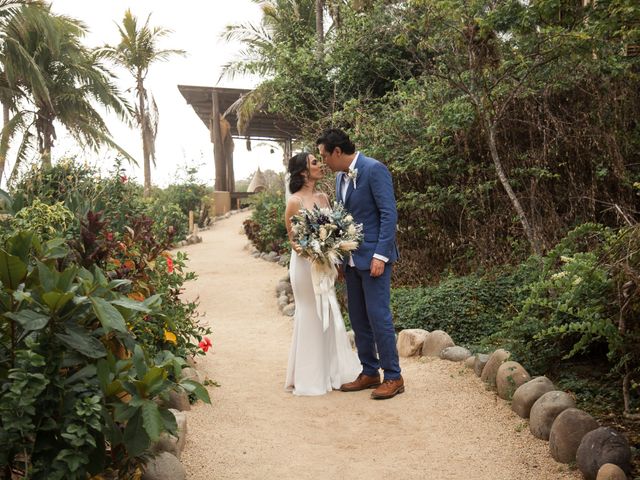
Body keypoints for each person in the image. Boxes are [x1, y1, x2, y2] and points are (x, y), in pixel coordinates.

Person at [316, 128, 403, 400]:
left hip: (374, 258)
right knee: (358, 317)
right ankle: (369, 371)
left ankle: (393, 376)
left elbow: (389, 214)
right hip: (351, 260)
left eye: (324, 156)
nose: (323, 162)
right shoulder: (341, 176)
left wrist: (380, 255)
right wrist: (340, 259)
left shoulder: (374, 169)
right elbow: (344, 219)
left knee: (379, 317)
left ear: (337, 152)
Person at [284, 152, 361, 396]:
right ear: (303, 172)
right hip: (305, 266)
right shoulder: (294, 201)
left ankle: (330, 371)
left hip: (325, 264)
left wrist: (331, 256)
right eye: (314, 163)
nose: (320, 165)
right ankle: (308, 377)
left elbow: (335, 233)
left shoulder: (324, 197)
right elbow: (293, 240)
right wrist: (313, 252)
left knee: (327, 310)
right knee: (309, 312)